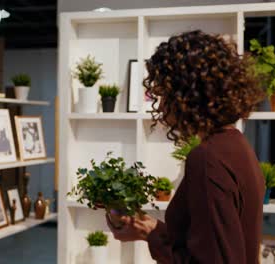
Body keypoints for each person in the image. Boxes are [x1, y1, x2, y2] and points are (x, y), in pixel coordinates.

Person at [106, 30, 265, 263]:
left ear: (186, 95)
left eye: (163, 94)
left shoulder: (207, 158)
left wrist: (151, 235)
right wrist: (150, 228)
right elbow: (212, 244)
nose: (159, 106)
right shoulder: (235, 144)